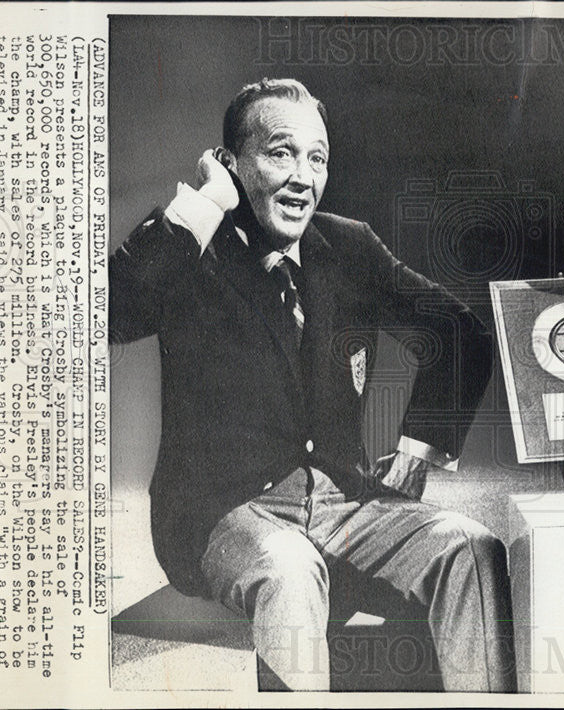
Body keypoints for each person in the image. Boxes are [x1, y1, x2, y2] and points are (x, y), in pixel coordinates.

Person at [109, 78, 515, 692]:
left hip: (343, 504)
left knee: (472, 547)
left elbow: (462, 332)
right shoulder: (191, 246)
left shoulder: (346, 245)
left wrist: (418, 447)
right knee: (290, 570)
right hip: (223, 514)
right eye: (280, 153)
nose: (303, 176)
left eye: (317, 157)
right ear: (230, 163)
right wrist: (206, 203)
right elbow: (110, 312)